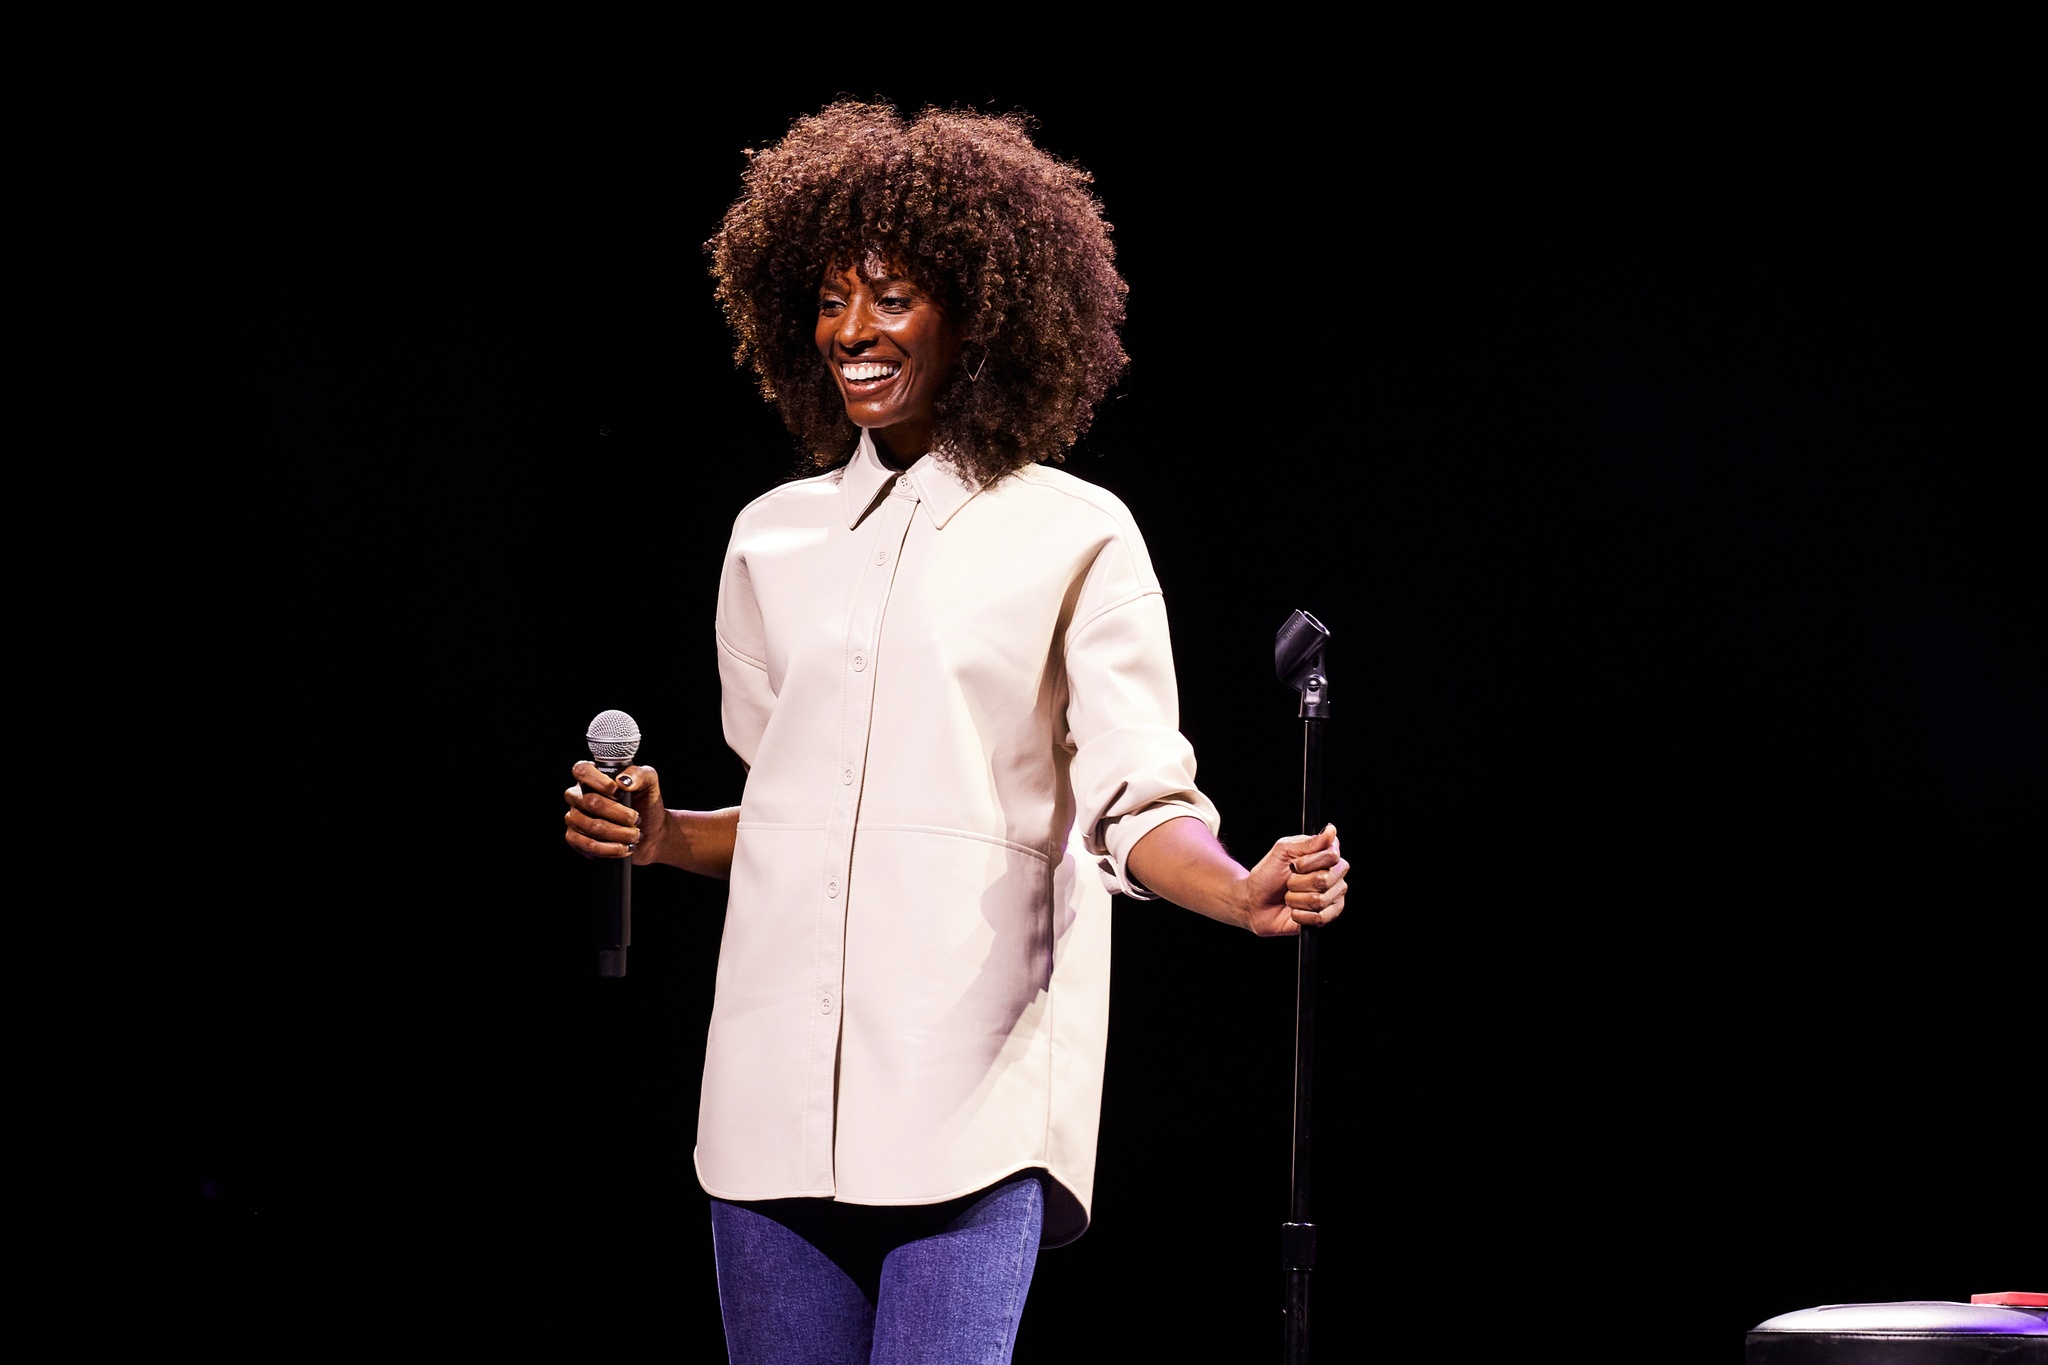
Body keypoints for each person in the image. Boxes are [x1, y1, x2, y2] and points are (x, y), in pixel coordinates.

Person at [562, 101, 1348, 1364]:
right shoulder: (772, 534)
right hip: (766, 1114)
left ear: (980, 312)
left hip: (968, 1104)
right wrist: (664, 837)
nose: (852, 334)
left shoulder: (1074, 532)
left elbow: (1138, 799)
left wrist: (1238, 891)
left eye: (891, 298)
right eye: (828, 300)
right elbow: (792, 815)